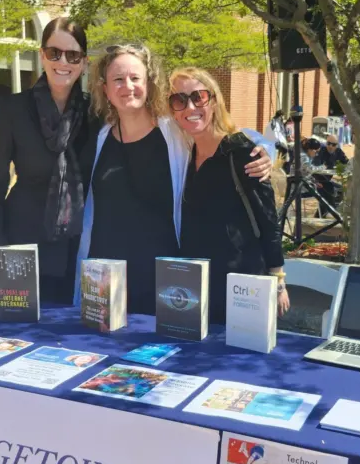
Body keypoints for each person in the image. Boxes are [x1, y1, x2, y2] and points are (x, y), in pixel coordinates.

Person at [75, 45, 272, 314]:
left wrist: (264, 150)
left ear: (149, 83)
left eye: (135, 78)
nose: (127, 86)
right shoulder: (99, 138)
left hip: (165, 281)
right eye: (118, 79)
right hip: (106, 284)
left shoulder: (174, 132)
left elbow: (226, 136)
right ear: (105, 89)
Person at [0, 17, 92, 303]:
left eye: (73, 55)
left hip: (80, 248)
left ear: (84, 62)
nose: (62, 61)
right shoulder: (12, 109)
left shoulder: (96, 113)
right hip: (23, 243)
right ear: (42, 55)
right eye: (54, 52)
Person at [169, 67, 289, 325]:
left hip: (242, 289)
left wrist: (278, 280)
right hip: (197, 290)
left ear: (214, 101)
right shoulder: (186, 156)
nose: (190, 107)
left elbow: (268, 221)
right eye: (179, 100)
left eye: (198, 97)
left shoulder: (241, 152)